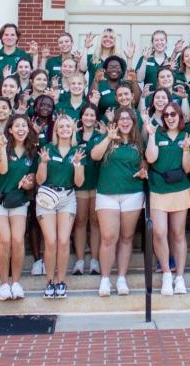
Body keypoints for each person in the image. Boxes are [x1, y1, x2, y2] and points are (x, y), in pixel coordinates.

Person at [91, 107, 148, 296]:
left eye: (128, 118)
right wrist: (108, 137)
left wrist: (142, 172)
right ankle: (105, 279)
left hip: (132, 193)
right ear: (116, 121)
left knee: (126, 237)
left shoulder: (138, 142)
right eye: (121, 118)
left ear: (133, 122)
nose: (125, 121)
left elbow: (143, 164)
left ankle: (121, 278)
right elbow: (94, 156)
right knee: (108, 237)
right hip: (107, 193)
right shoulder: (107, 138)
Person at [0, 114, 37, 300]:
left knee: (18, 240)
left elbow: (33, 179)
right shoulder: (1, 148)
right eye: (17, 126)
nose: (21, 129)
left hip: (18, 201)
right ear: (10, 130)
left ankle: (16, 282)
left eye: (25, 125)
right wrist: (3, 146)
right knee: (5, 240)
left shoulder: (32, 152)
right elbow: (3, 170)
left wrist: (29, 183)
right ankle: (3, 284)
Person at [144, 104, 190, 296]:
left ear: (179, 115)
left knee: (178, 234)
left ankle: (179, 276)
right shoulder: (158, 133)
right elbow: (150, 158)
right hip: (158, 188)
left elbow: (188, 168)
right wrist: (151, 135)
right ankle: (166, 272)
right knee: (159, 232)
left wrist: (187, 150)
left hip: (180, 188)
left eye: (173, 114)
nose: (169, 117)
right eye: (166, 115)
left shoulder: (185, 135)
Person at [36, 114, 86, 298]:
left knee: (64, 241)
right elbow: (39, 180)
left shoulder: (78, 151)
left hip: (67, 197)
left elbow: (79, 183)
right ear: (56, 130)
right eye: (61, 126)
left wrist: (78, 165)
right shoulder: (47, 149)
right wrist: (43, 163)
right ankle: (49, 281)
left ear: (73, 129)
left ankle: (61, 281)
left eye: (68, 126)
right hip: (47, 197)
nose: (65, 129)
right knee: (51, 241)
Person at [72, 104, 103, 275]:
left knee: (96, 222)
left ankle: (94, 260)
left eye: (92, 115)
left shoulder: (101, 136)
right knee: (81, 221)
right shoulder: (74, 136)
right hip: (80, 184)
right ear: (81, 117)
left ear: (96, 118)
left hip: (98, 184)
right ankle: (79, 260)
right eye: (86, 115)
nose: (89, 118)